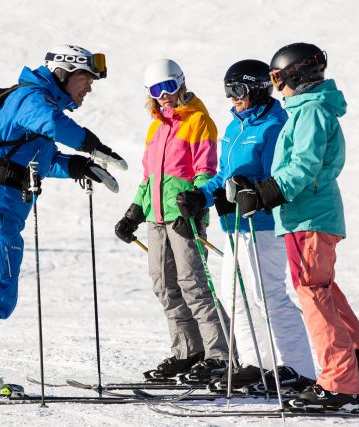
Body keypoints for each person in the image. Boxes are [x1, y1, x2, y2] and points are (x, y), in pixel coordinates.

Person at [0, 44, 126, 396]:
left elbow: (42, 159)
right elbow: (53, 125)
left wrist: (78, 165)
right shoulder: (31, 98)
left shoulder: (36, 105)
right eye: (86, 79)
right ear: (65, 73)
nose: (89, 88)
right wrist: (91, 144)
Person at [231, 42, 359, 409]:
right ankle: (357, 375)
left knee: (314, 294)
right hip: (308, 216)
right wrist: (259, 188)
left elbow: (305, 165)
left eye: (276, 77)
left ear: (292, 76)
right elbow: (297, 166)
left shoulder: (311, 110)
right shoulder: (308, 109)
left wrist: (269, 192)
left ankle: (339, 383)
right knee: (325, 293)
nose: (274, 85)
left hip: (308, 217)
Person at [175, 60, 316, 392]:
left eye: (237, 90)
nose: (232, 98)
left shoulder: (274, 126)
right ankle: (257, 365)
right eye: (228, 91)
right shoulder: (234, 127)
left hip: (263, 224)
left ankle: (297, 368)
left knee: (266, 295)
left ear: (256, 87)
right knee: (234, 295)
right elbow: (224, 178)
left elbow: (273, 178)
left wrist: (246, 193)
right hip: (234, 225)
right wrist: (200, 197)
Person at [114, 59, 230, 381]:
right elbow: (148, 179)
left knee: (194, 284)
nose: (163, 95)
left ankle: (221, 355)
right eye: (156, 90)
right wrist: (133, 213)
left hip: (184, 217)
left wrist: (193, 207)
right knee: (164, 286)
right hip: (156, 220)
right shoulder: (156, 127)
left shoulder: (199, 122)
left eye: (168, 87)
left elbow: (206, 172)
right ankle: (188, 351)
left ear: (180, 83)